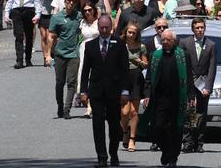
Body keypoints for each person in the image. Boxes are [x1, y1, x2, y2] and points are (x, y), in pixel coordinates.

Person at [80, 15, 130, 168]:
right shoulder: (91, 46)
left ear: (111, 28)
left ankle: (113, 154)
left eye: (106, 28)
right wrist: (83, 91)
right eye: (101, 28)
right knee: (98, 125)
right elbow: (85, 70)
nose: (103, 30)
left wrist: (125, 91)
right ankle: (102, 157)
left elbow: (124, 70)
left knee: (114, 125)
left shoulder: (120, 44)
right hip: (97, 92)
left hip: (114, 92)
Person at [142, 29, 195, 167]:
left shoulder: (183, 56)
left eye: (168, 40)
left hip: (178, 99)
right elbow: (148, 78)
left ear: (174, 41)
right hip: (159, 99)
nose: (165, 42)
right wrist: (147, 94)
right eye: (163, 40)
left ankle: (173, 158)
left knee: (176, 130)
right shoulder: (155, 55)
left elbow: (189, 78)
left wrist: (191, 96)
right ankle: (166, 151)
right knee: (158, 128)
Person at [180, 19, 216, 153]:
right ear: (192, 29)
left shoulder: (211, 44)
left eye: (202, 27)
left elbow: (212, 68)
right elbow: (182, 64)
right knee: (189, 113)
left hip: (203, 84)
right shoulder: (184, 43)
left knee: (201, 114)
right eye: (197, 28)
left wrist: (208, 86)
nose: (200, 30)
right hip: (189, 82)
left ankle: (199, 142)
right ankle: (188, 141)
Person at [48, 0, 82, 118]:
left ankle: (67, 110)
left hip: (73, 54)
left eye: (74, 1)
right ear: (65, 1)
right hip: (60, 54)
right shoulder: (56, 18)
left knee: (71, 82)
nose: (71, 3)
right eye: (69, 1)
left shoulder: (79, 16)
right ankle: (60, 106)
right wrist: (47, 55)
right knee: (59, 82)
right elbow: (51, 37)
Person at [4, 0, 41, 69]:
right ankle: (19, 60)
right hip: (16, 10)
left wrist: (37, 14)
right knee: (19, 35)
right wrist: (7, 13)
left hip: (28, 9)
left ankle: (28, 59)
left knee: (29, 35)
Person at [120, 21, 148, 153]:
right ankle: (125, 131)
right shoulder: (120, 45)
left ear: (137, 35)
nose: (131, 35)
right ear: (125, 32)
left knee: (134, 112)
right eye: (129, 32)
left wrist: (140, 62)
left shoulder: (141, 46)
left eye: (133, 33)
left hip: (136, 77)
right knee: (124, 112)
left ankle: (132, 138)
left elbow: (145, 64)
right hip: (123, 77)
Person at [77, 2, 100, 118]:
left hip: (97, 50)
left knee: (95, 77)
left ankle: (95, 105)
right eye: (85, 10)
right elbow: (79, 37)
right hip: (84, 50)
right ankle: (89, 106)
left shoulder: (99, 22)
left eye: (89, 10)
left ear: (94, 10)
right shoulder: (82, 23)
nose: (87, 12)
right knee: (84, 75)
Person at [38, 0, 54, 67]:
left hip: (50, 13)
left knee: (49, 36)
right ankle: (45, 56)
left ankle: (49, 55)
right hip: (41, 13)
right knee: (43, 36)